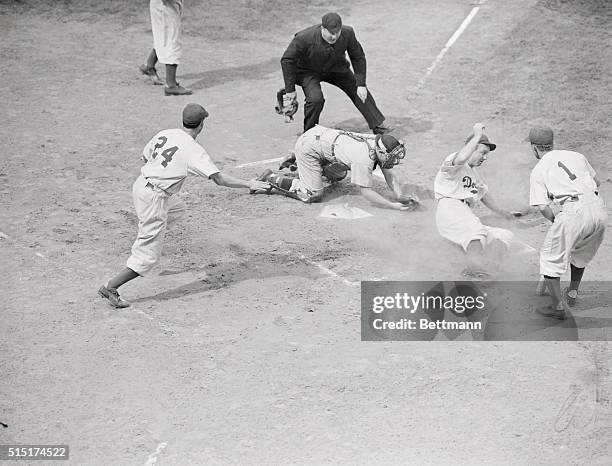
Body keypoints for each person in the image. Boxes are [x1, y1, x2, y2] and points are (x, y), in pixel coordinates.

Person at [98, 103, 270, 308]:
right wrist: (249, 183)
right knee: (148, 258)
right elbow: (220, 179)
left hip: (141, 186)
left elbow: (145, 156)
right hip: (154, 197)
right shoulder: (193, 150)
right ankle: (111, 286)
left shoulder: (167, 133)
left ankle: (152, 233)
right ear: (201, 125)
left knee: (177, 209)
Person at [528, 125, 607, 319]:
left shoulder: (539, 169)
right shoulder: (576, 156)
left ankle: (556, 308)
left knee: (550, 260)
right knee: (581, 252)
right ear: (552, 143)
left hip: (573, 211)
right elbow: (596, 183)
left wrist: (558, 220)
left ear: (534, 147)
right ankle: (572, 292)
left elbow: (542, 207)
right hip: (598, 209)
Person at [252, 124, 414, 210]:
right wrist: (391, 205)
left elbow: (388, 173)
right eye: (391, 156)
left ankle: (300, 162)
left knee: (339, 175)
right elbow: (366, 192)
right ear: (381, 151)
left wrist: (399, 195)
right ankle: (271, 178)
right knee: (312, 194)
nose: (394, 160)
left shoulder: (377, 142)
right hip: (310, 147)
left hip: (320, 139)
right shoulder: (364, 158)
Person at [281, 12, 391, 134]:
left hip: (336, 68)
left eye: (337, 32)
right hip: (308, 71)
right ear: (323, 29)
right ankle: (309, 133)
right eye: (331, 33)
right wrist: (290, 89)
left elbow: (358, 57)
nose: (334, 36)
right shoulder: (304, 37)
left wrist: (361, 84)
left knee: (358, 89)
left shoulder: (348, 32)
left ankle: (378, 124)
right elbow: (287, 60)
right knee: (315, 99)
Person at [434, 123, 518, 277]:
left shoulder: (473, 173)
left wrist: (501, 212)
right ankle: (474, 269)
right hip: (450, 207)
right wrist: (477, 134)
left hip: (462, 213)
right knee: (475, 232)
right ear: (471, 148)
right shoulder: (454, 160)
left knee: (504, 235)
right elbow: (460, 158)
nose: (485, 157)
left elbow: (483, 194)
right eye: (482, 152)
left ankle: (490, 265)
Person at [139, 0, 193, 96]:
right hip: (165, 6)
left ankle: (149, 65)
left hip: (164, 6)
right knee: (171, 41)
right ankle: (171, 85)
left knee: (163, 38)